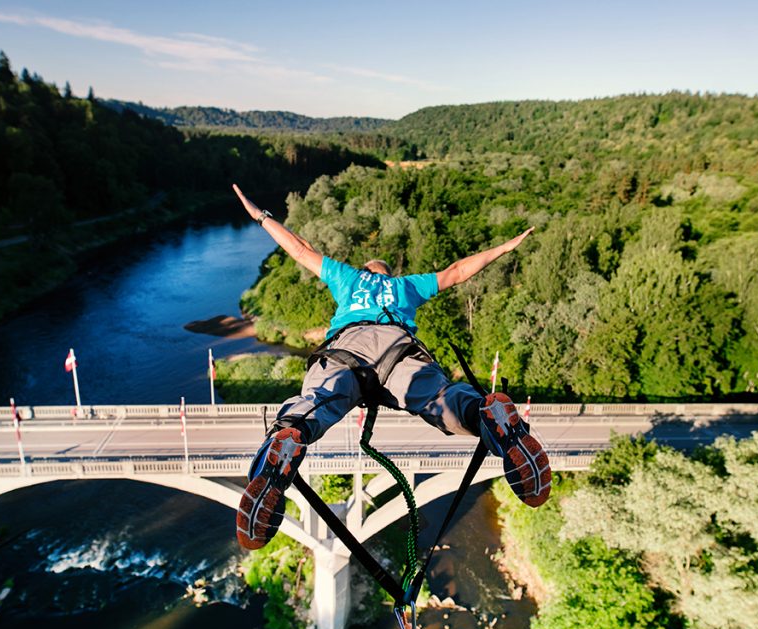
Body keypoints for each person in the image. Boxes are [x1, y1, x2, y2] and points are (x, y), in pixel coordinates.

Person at [232, 184, 550, 550]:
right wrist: (505, 247)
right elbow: (458, 271)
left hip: (350, 347)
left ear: (368, 271)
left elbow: (300, 250)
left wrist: (261, 216)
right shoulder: (405, 287)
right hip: (399, 350)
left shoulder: (348, 278)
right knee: (440, 399)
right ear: (388, 273)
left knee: (318, 400)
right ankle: (484, 416)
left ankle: (288, 438)